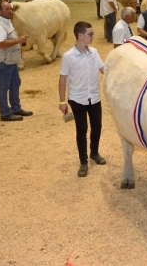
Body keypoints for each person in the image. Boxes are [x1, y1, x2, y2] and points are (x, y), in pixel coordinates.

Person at [59, 21, 106, 178]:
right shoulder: (68, 56)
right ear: (80, 35)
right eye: (90, 34)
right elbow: (63, 79)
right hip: (77, 99)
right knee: (82, 129)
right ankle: (83, 161)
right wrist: (62, 102)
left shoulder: (94, 52)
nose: (93, 36)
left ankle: (94, 152)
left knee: (97, 126)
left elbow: (103, 69)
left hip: (94, 96)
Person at [0, 1, 33, 121]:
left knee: (15, 83)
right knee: (3, 87)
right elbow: (0, 43)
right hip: (1, 61)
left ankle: (16, 108)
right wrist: (18, 41)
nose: (10, 11)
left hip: (9, 61)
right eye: (7, 9)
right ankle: (5, 113)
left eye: (10, 9)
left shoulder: (5, 21)